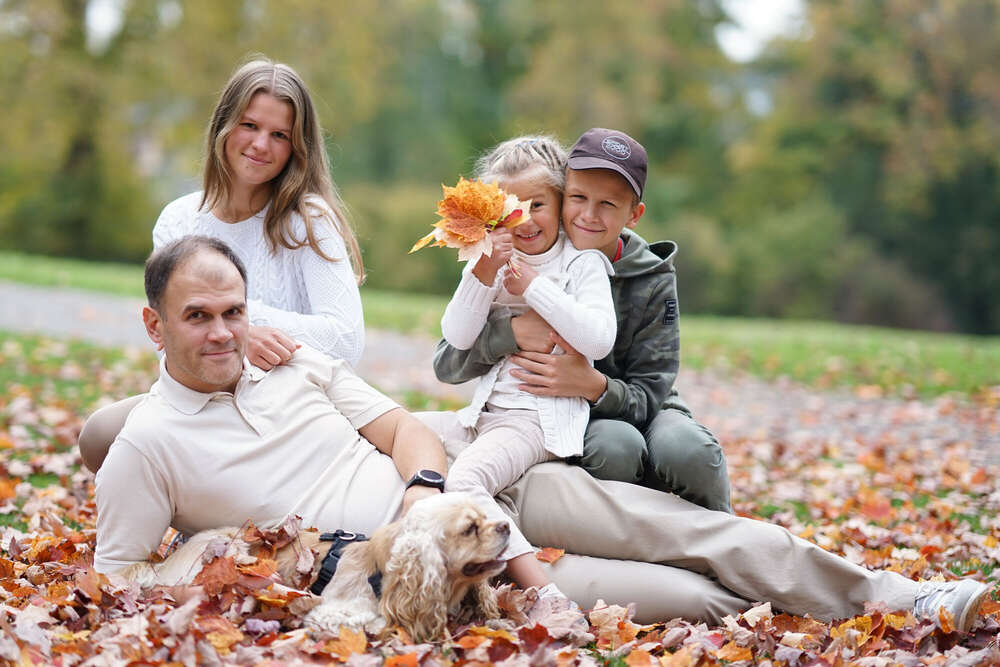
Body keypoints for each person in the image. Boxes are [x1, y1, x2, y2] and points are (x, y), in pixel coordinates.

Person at [95, 235, 991, 634]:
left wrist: (426, 488)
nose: (222, 332)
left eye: (233, 310)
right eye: (198, 315)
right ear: (154, 323)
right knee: (696, 598)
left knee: (693, 529)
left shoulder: (288, 362)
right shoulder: (148, 445)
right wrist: (215, 549)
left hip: (488, 488)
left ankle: (907, 598)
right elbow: (116, 580)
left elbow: (405, 425)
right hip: (450, 569)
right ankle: (808, 609)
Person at [78, 57, 365, 474]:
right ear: (224, 126)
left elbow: (346, 341)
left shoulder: (309, 220)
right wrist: (240, 334)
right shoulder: (179, 221)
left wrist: (241, 324)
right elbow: (171, 338)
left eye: (280, 134)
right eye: (250, 125)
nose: (261, 145)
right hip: (202, 394)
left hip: (289, 400)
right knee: (99, 437)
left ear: (297, 147)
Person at [433, 128, 731, 513]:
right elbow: (448, 360)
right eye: (578, 198)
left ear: (633, 215)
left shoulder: (651, 278)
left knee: (686, 450)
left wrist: (595, 385)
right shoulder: (524, 255)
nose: (589, 215)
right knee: (615, 447)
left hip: (630, 402)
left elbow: (650, 387)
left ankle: (722, 527)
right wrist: (513, 333)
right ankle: (628, 534)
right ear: (562, 198)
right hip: (573, 419)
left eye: (608, 204)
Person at [432, 135, 615, 597]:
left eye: (538, 204)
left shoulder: (582, 264)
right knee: (401, 431)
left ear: (559, 204)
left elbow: (597, 337)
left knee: (465, 480)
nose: (524, 218)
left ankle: (545, 595)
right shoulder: (490, 257)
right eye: (510, 206)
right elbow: (456, 336)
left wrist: (532, 285)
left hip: (535, 420)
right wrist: (483, 273)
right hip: (484, 417)